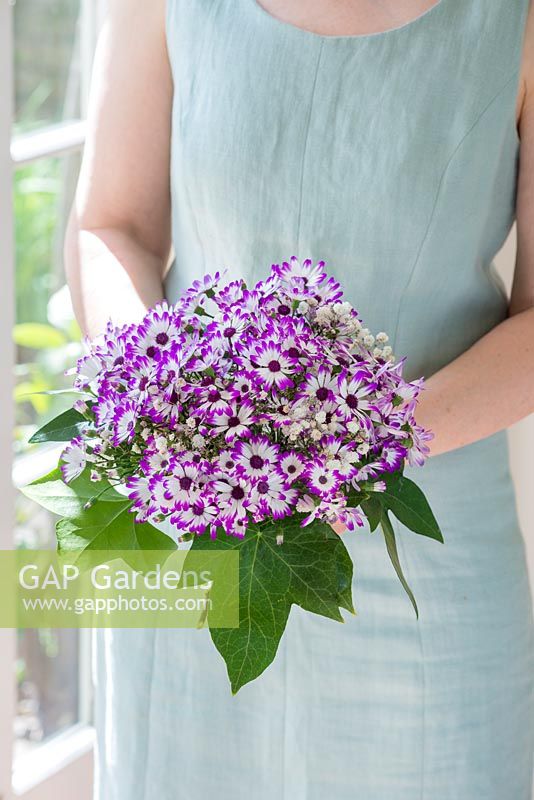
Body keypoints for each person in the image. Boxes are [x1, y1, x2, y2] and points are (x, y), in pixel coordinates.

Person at [64, 1, 534, 797]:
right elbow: (111, 226)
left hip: (431, 553)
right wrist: (156, 403)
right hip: (194, 522)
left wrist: (359, 443)